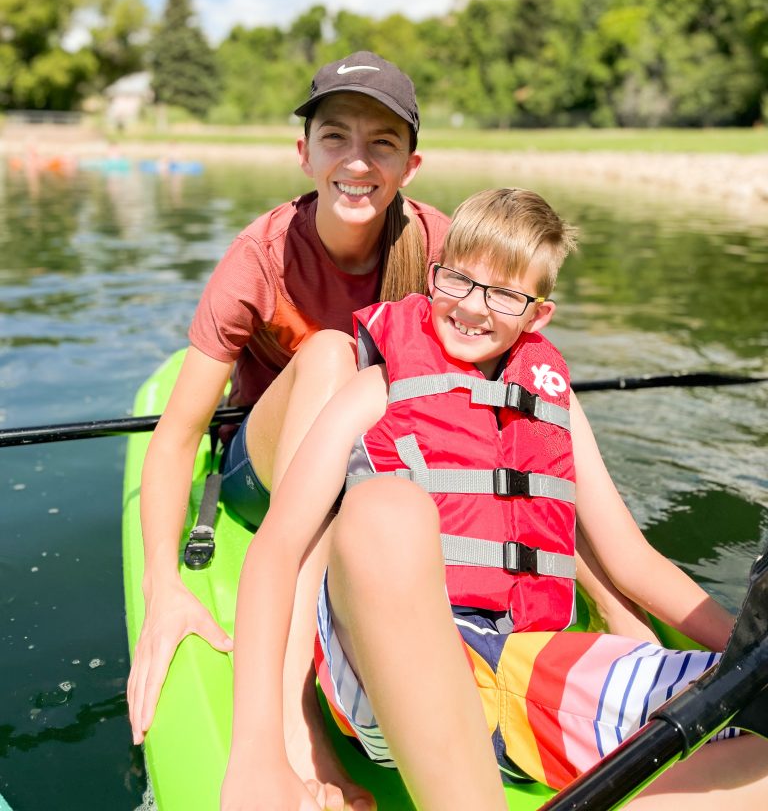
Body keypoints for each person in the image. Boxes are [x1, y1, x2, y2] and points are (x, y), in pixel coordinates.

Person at [221, 188, 768, 811]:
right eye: (458, 280)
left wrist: (752, 655)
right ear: (434, 277)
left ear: (537, 315)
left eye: (505, 294)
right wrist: (257, 752)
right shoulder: (374, 389)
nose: (474, 308)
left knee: (763, 731)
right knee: (385, 511)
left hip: (524, 667)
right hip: (390, 676)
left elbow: (633, 561)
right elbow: (276, 553)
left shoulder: (554, 403)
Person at [127, 51, 449, 807]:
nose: (357, 163)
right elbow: (176, 438)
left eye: (382, 143)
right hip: (263, 471)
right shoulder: (259, 258)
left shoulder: (437, 247)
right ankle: (292, 705)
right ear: (302, 153)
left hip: (379, 464)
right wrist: (164, 585)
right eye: (335, 137)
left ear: (411, 163)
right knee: (334, 353)